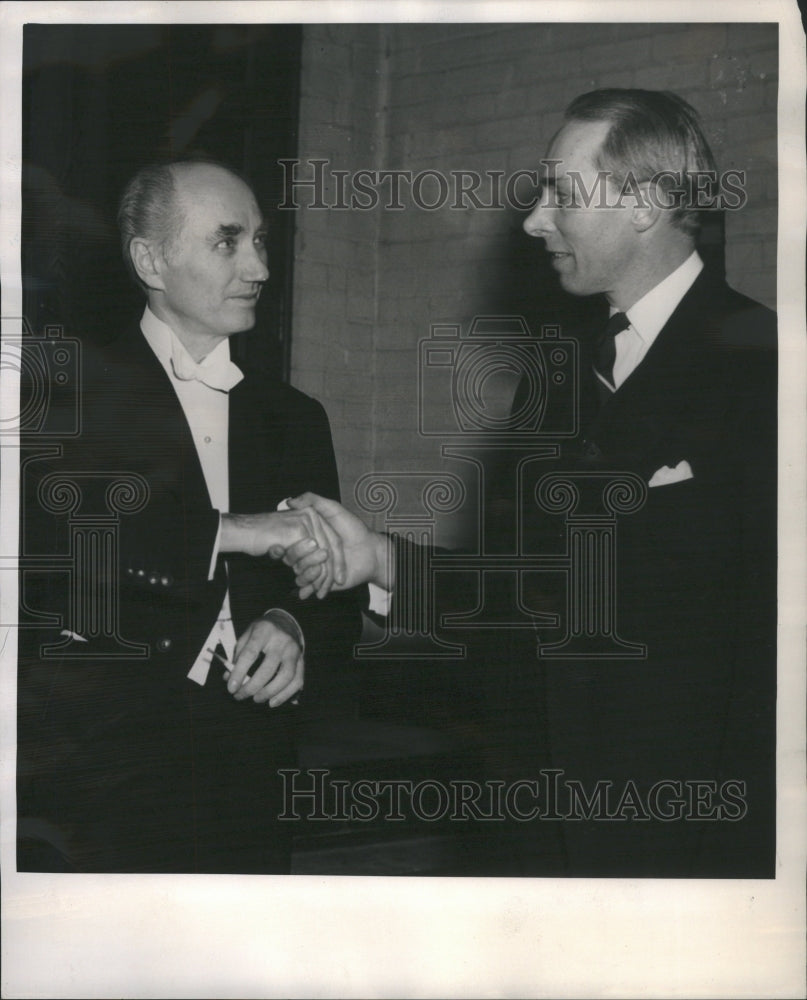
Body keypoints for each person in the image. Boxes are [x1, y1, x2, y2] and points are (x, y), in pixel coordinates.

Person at [283, 90, 777, 877]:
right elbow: (516, 599)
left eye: (561, 193)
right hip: (532, 836)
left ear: (644, 204)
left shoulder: (768, 370)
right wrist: (378, 560)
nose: (533, 220)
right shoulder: (552, 379)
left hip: (685, 850)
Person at [17, 160, 361, 874]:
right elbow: (58, 541)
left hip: (253, 767)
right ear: (151, 260)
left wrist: (294, 624)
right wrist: (237, 530)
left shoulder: (296, 418)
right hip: (102, 771)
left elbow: (338, 590)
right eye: (228, 242)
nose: (259, 266)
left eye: (261, 242)